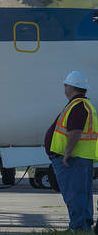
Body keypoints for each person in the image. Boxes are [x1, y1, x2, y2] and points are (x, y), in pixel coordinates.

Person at [45, 71, 96, 231]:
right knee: (81, 194)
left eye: (66, 85)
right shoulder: (82, 105)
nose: (64, 87)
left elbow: (75, 131)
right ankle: (83, 225)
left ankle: (78, 227)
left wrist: (67, 153)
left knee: (75, 195)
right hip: (80, 158)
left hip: (73, 159)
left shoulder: (78, 105)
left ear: (73, 87)